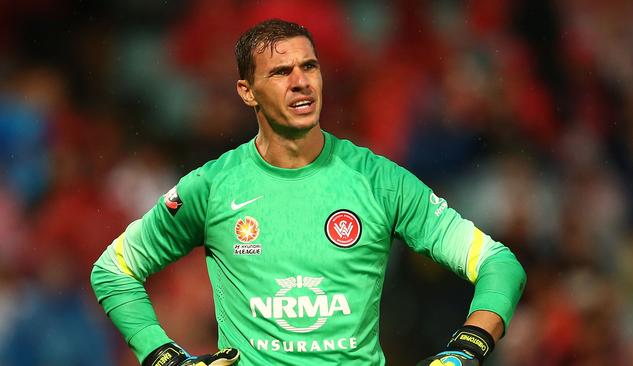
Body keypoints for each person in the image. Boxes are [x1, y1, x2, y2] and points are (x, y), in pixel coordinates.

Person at [91, 19, 526, 366]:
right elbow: (113, 270)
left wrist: (469, 345)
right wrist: (163, 356)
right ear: (247, 92)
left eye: (310, 66)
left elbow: (498, 263)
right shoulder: (212, 186)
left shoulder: (378, 180)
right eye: (281, 72)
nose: (301, 82)